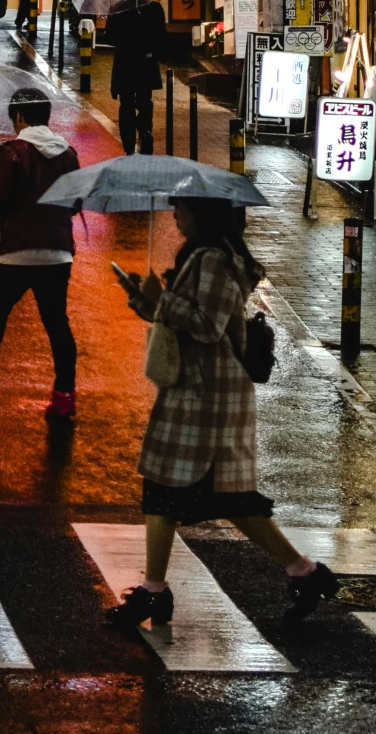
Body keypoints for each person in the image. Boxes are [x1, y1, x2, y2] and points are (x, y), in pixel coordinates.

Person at [106, 198, 337, 633]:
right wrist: (147, 302)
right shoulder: (202, 256)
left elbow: (208, 326)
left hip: (208, 396)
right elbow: (187, 319)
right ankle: (302, 573)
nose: (176, 214)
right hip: (196, 393)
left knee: (202, 496)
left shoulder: (213, 260)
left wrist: (163, 301)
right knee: (175, 493)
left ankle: (302, 572)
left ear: (205, 214)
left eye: (183, 208)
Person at [0, 90, 80, 419]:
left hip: (15, 252)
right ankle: (65, 394)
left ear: (21, 117)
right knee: (57, 324)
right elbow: (77, 202)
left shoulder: (13, 152)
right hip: (57, 252)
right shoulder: (68, 153)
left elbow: (2, 201)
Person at [106, 0, 165, 156]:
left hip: (125, 63)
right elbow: (162, 37)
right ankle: (145, 131)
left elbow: (109, 37)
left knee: (126, 104)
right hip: (146, 63)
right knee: (145, 100)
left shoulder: (118, 9)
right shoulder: (154, 8)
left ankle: (129, 146)